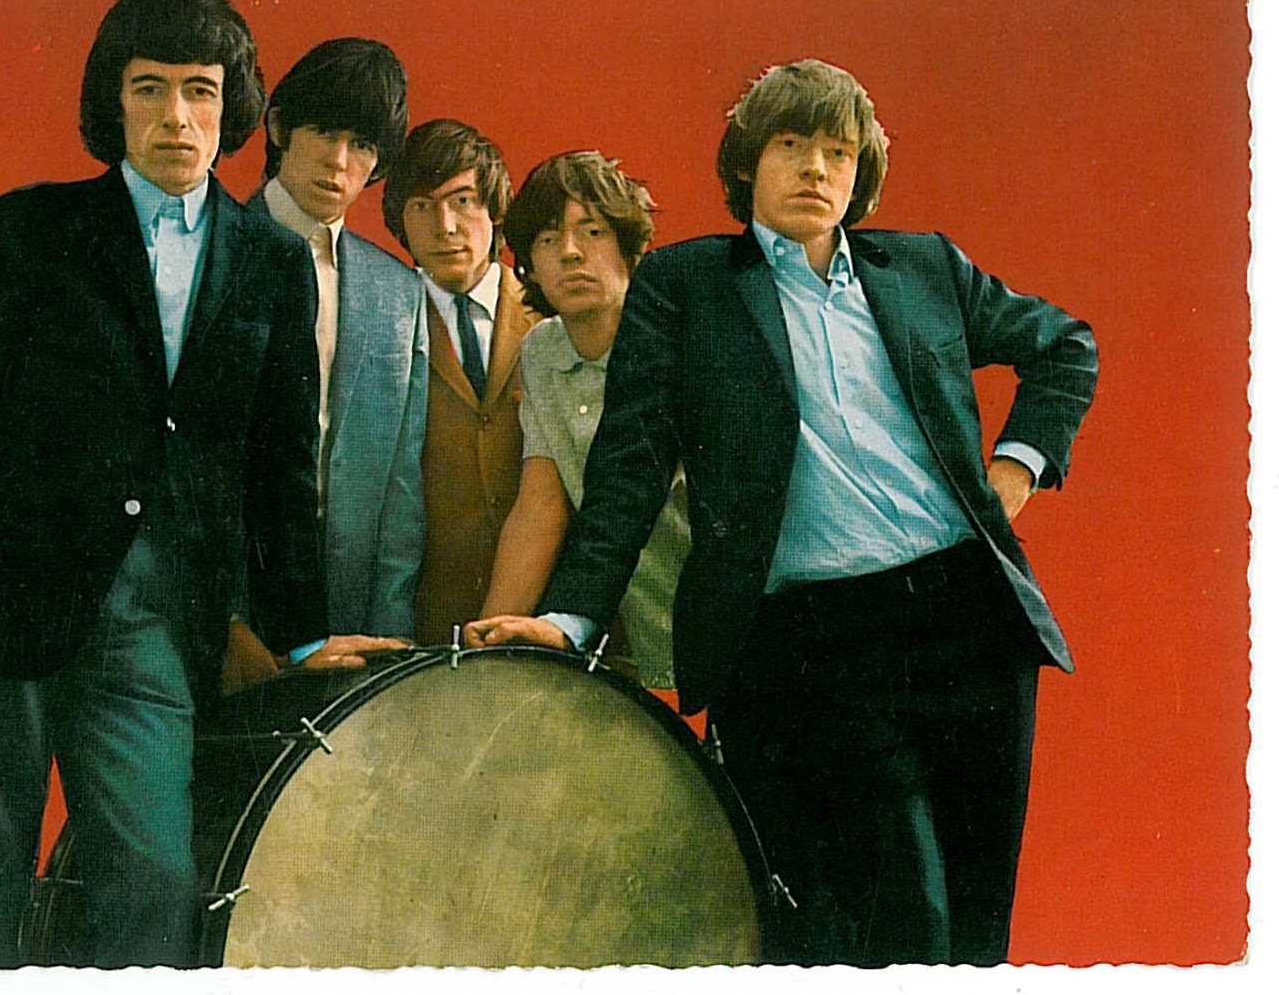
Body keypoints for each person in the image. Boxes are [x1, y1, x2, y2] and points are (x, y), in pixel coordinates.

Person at [472, 60, 1098, 965]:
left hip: (971, 626)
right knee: (906, 927)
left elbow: (1065, 346)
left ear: (860, 172)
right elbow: (629, 468)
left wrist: (1015, 470)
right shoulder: (686, 286)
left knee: (976, 934)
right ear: (746, 164)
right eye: (792, 144)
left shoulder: (924, 266)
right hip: (814, 647)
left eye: (837, 152)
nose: (815, 168)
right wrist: (569, 619)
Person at [0, 0, 400, 968]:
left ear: (231, 110)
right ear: (113, 103)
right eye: (149, 88)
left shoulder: (270, 264)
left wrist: (301, 636)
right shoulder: (27, 231)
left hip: (155, 630)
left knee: (156, 890)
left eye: (200, 91)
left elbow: (280, 473)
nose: (176, 117)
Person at [470, 151, 687, 689]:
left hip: (720, 616)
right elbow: (540, 505)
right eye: (547, 239)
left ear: (629, 246)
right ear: (528, 264)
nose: (569, 252)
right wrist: (486, 644)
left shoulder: (680, 336)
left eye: (592, 231)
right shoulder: (542, 350)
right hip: (626, 621)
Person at [245, 38, 427, 643]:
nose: (339, 161)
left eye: (363, 145)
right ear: (278, 127)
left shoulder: (398, 290)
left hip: (350, 606)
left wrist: (389, 638)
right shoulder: (219, 248)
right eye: (324, 132)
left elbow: (402, 491)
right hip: (233, 600)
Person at [381, 119, 540, 646]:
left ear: (495, 210)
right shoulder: (383, 321)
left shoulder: (551, 312)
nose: (445, 226)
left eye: (463, 201)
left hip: (542, 613)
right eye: (422, 206)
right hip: (428, 620)